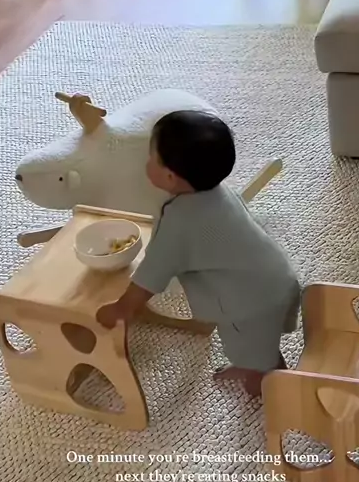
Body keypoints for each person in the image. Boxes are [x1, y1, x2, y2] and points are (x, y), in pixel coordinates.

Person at [96, 110, 300, 396]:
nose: (146, 162)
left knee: (258, 362)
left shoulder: (182, 222)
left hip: (249, 305)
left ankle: (274, 387)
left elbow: (152, 273)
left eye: (151, 157)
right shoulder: (219, 192)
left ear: (169, 176)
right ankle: (258, 363)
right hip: (272, 281)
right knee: (259, 343)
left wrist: (122, 308)